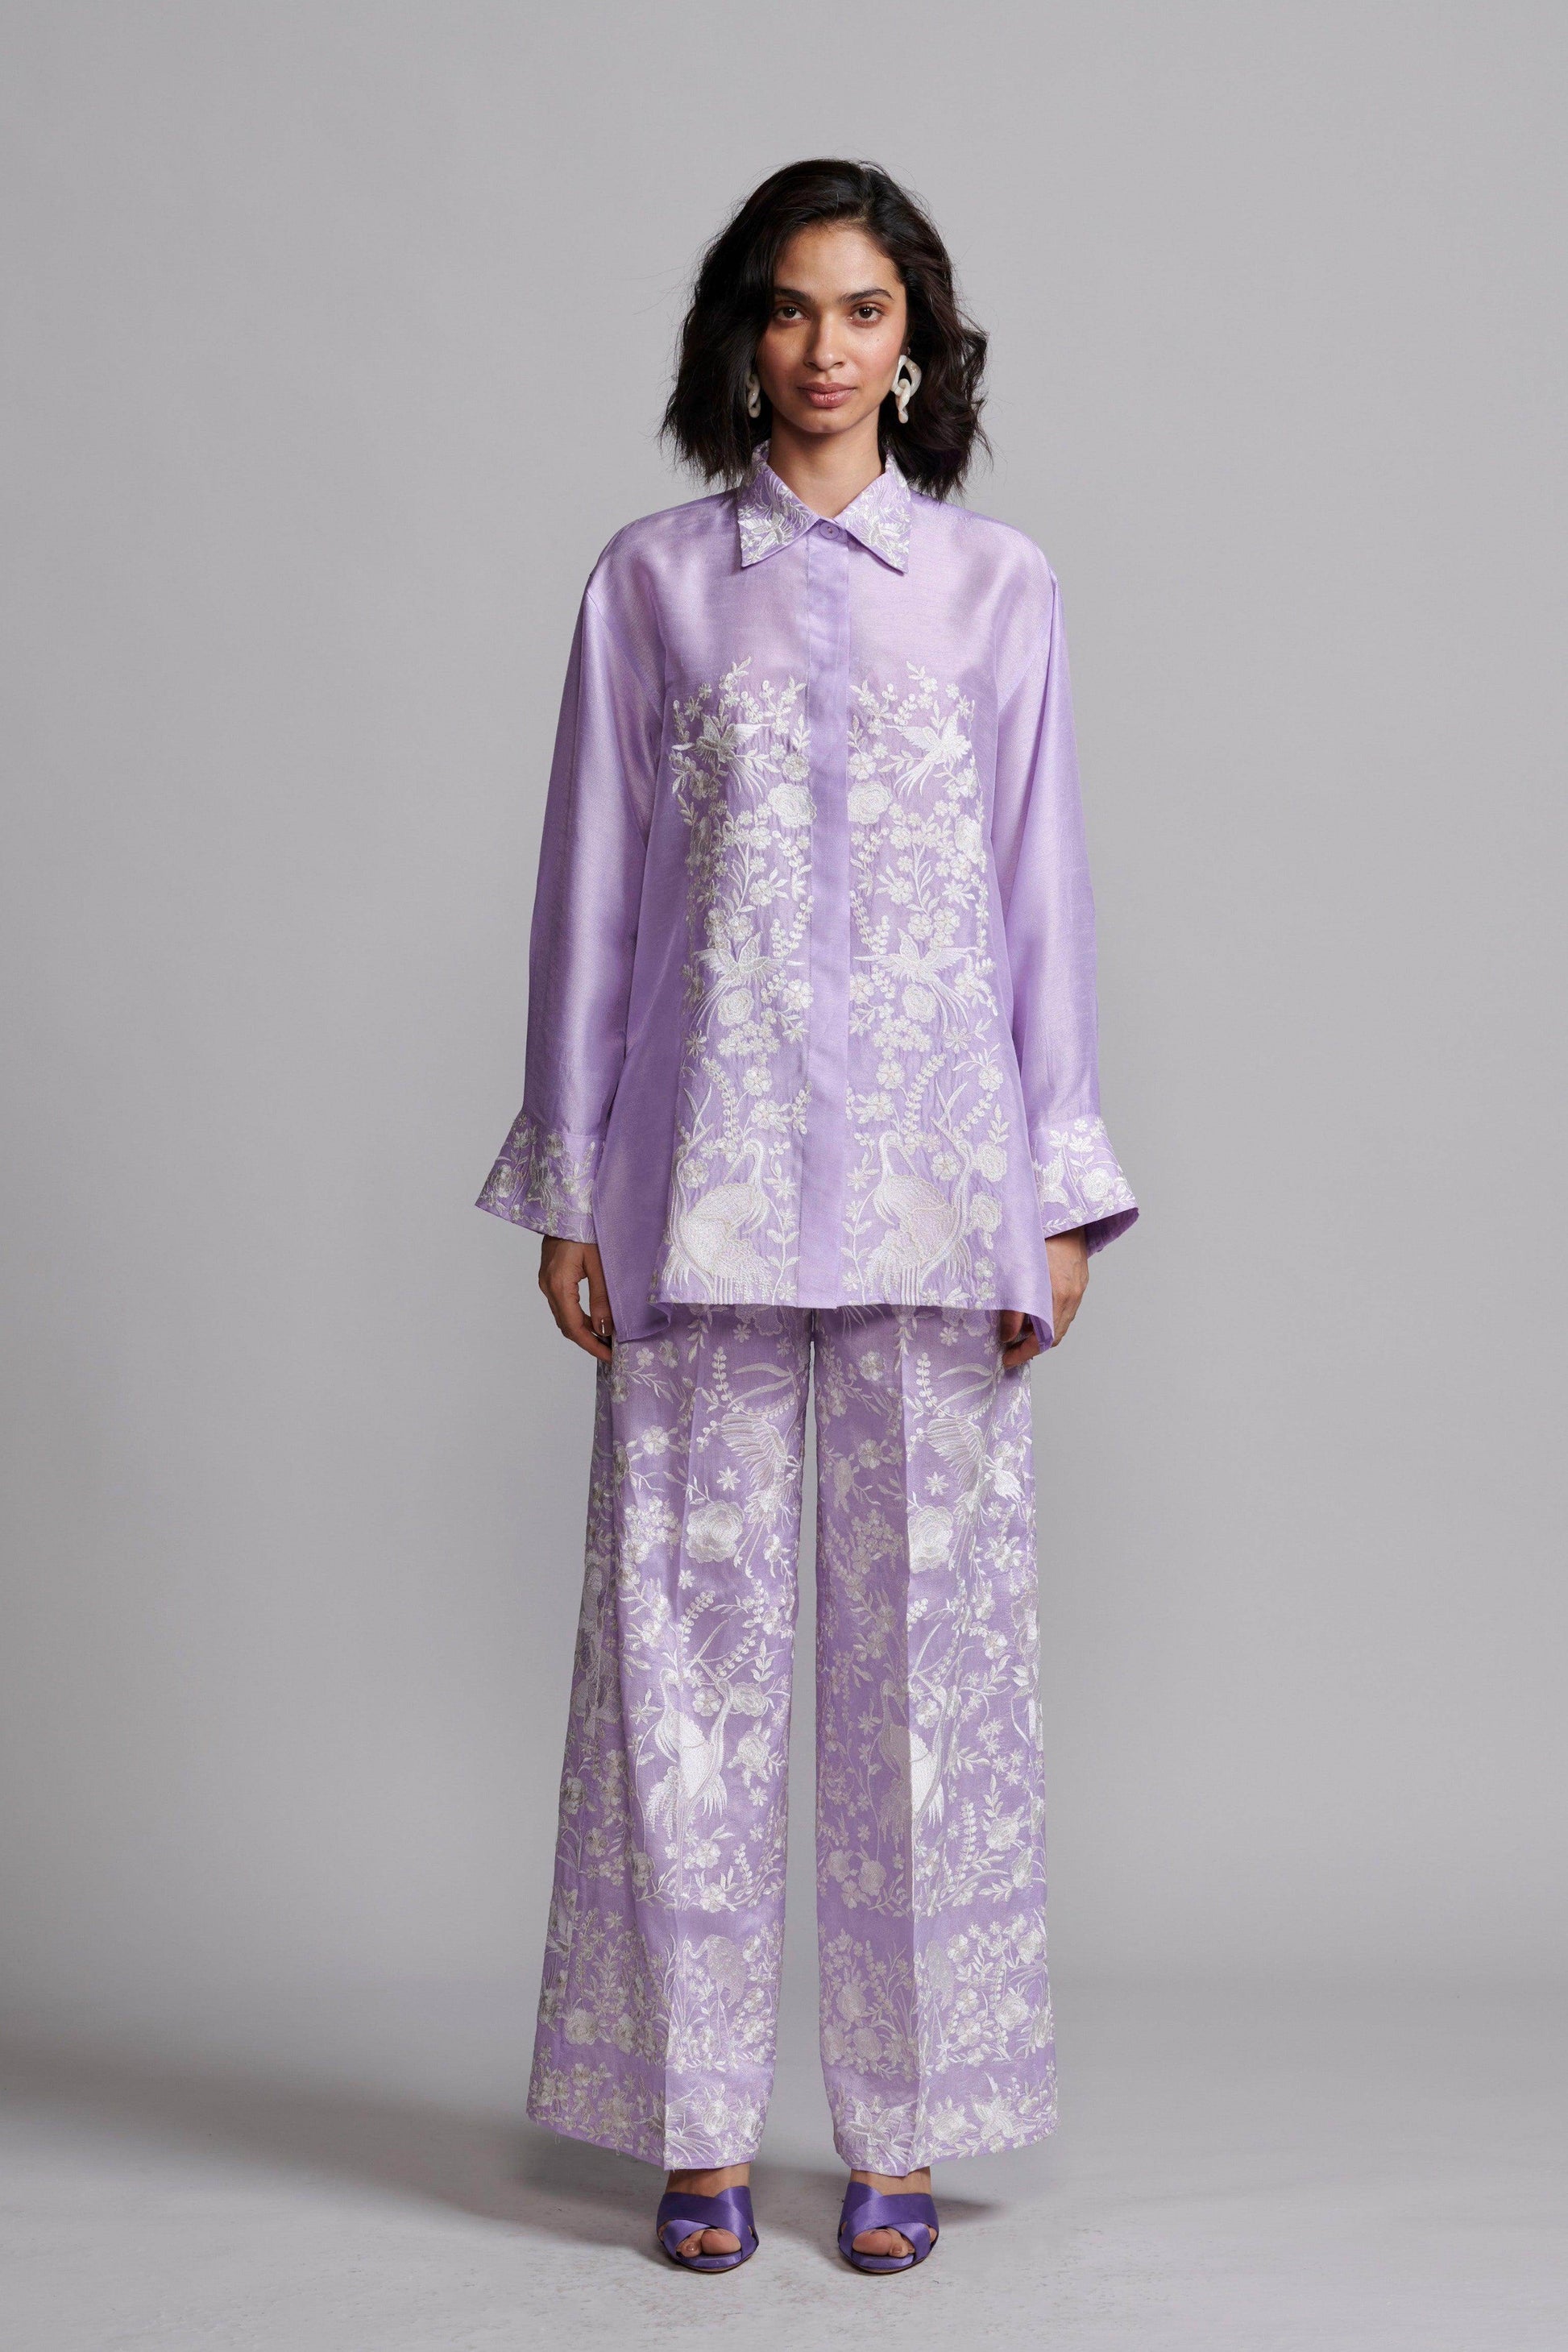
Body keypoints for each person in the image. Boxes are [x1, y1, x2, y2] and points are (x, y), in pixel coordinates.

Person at [475, 156, 1138, 2275]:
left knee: (926, 1684)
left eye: (862, 310)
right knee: (684, 1671)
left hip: (944, 1206)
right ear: (738, 338)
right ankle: (690, 2130)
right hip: (700, 1199)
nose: (824, 347)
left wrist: (1054, 1198)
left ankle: (900, 2134)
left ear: (915, 342)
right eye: (786, 307)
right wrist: (572, 1180)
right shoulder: (654, 585)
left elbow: (1041, 901)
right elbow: (590, 895)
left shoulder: (998, 590)